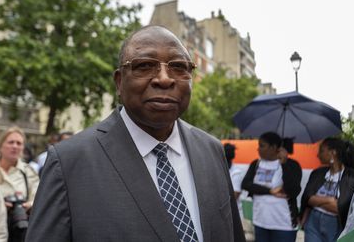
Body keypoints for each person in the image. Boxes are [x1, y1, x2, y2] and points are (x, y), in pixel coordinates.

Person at [25, 25, 245, 242]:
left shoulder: (211, 149)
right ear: (119, 82)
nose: (164, 79)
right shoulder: (68, 162)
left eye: (178, 66)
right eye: (145, 66)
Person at [300, 137, 354, 242]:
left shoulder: (353, 177)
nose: (318, 155)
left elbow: (340, 208)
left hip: (337, 224)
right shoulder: (318, 173)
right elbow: (308, 198)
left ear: (333, 152)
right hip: (313, 222)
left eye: (321, 151)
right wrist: (330, 201)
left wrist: (317, 201)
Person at [241, 132, 302, 242]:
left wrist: (284, 164)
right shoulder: (256, 164)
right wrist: (270, 191)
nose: (258, 149)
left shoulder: (292, 165)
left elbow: (293, 190)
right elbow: (246, 184)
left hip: (284, 225)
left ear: (274, 147)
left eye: (262, 145)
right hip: (260, 222)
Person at [0, 126, 39, 242]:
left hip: (18, 229)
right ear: (0, 146)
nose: (15, 146)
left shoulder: (28, 172)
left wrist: (29, 205)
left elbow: (38, 198)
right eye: (11, 142)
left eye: (19, 143)